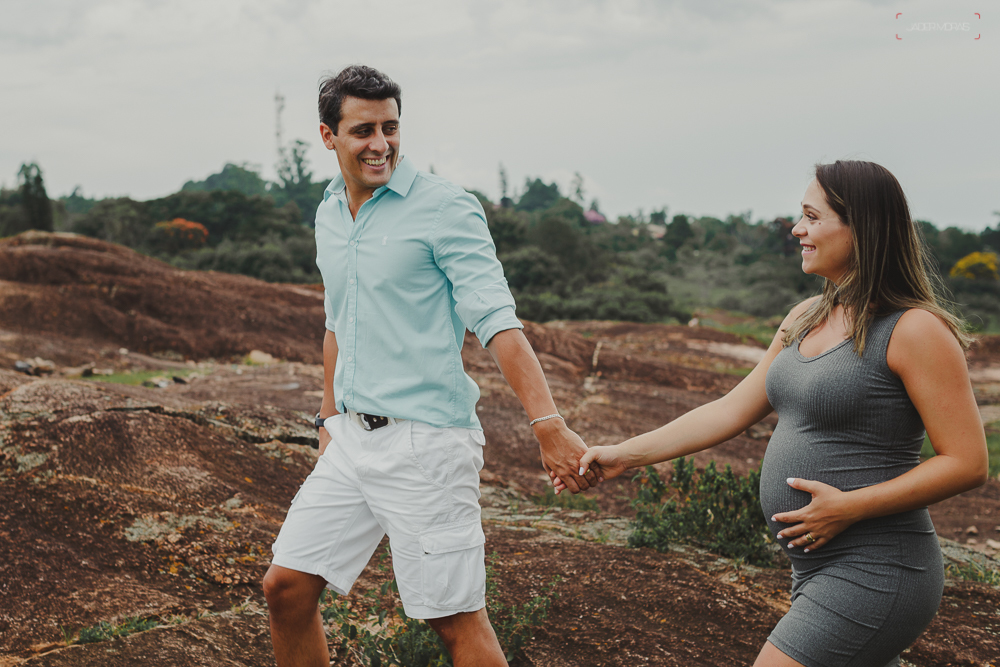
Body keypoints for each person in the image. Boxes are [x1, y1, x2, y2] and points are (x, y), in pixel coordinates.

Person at [573, 160, 989, 667]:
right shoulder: (804, 317)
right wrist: (624, 455)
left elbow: (967, 462)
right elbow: (729, 410)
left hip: (878, 567)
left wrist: (851, 506)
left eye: (812, 217)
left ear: (860, 227)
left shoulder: (915, 329)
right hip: (812, 569)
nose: (796, 229)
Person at [262, 64, 598, 667]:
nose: (381, 144)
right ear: (328, 136)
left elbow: (497, 321)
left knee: (455, 622)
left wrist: (548, 425)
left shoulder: (445, 208)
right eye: (363, 130)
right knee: (285, 589)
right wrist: (327, 420)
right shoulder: (330, 211)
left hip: (427, 445)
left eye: (390, 127)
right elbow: (338, 322)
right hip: (350, 442)